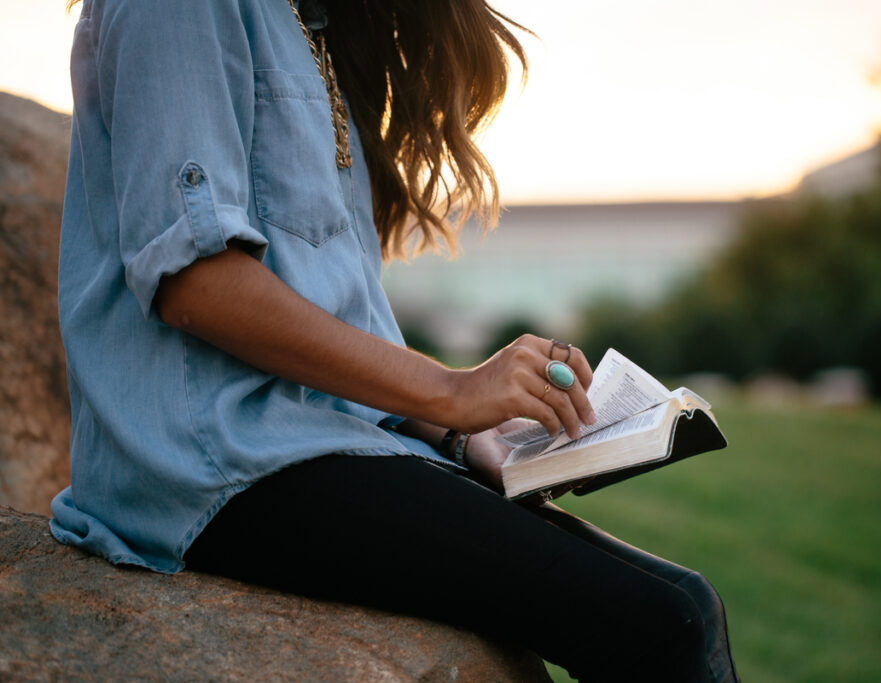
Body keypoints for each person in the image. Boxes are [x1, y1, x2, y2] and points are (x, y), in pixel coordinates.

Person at [52, 0, 739, 680]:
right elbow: (198, 285)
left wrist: (462, 432)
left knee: (689, 604)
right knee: (659, 625)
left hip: (309, 442)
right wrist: (453, 389)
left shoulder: (305, 21)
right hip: (211, 463)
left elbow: (336, 319)